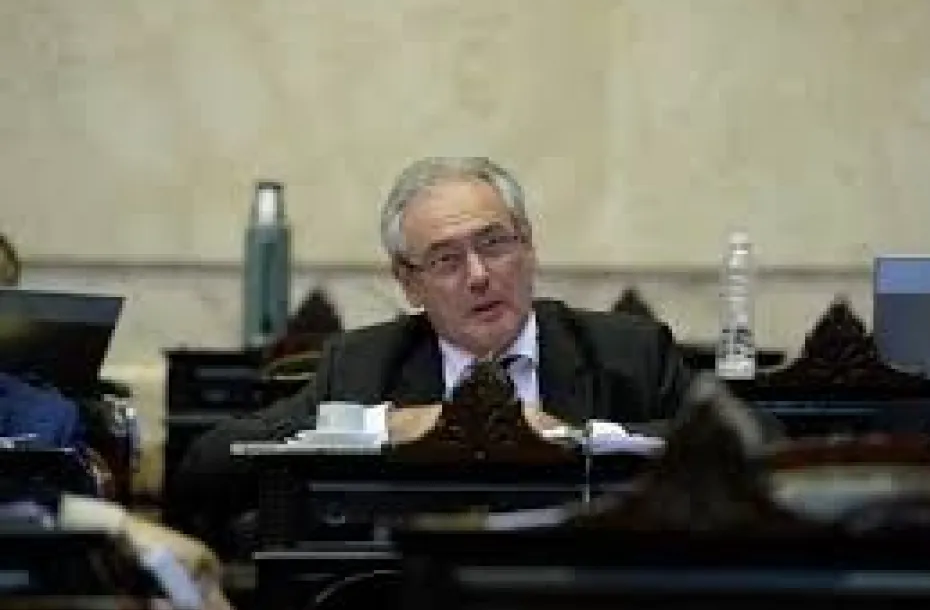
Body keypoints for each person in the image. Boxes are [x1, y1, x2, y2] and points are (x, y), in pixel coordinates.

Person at [172, 156, 693, 539]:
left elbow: (731, 453)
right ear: (409, 283)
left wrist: (578, 438)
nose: (479, 275)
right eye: (446, 260)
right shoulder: (363, 366)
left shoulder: (630, 352)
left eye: (494, 244)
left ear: (528, 246)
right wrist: (383, 425)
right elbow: (204, 470)